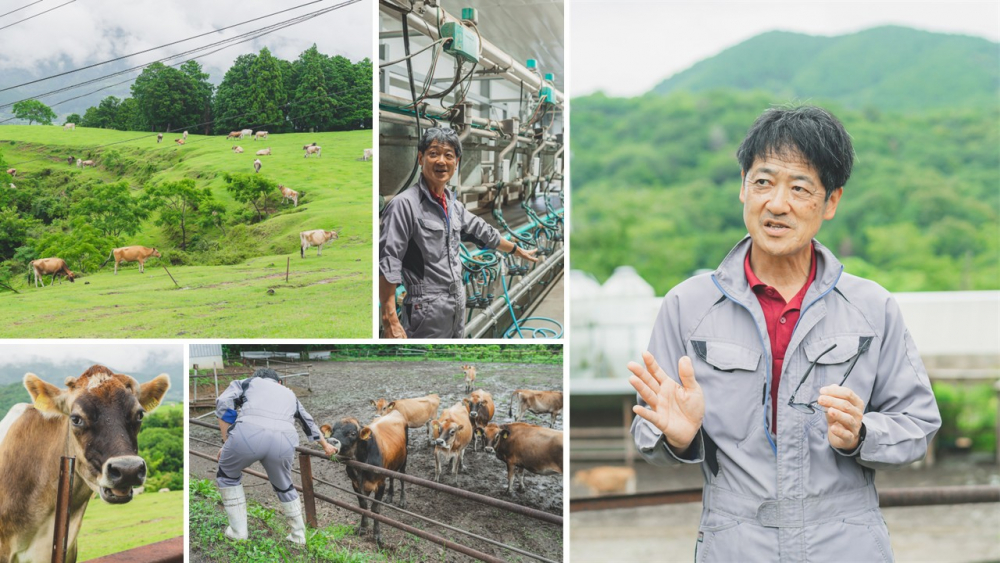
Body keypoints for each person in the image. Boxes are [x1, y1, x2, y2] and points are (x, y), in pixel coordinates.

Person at [628, 106, 941, 562]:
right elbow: (648, 429)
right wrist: (679, 437)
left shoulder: (872, 308)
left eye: (799, 188)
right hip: (735, 546)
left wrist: (861, 433)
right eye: (763, 182)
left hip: (846, 546)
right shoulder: (687, 306)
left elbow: (918, 425)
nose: (777, 204)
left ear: (831, 201)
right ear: (742, 186)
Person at [379, 127, 539, 339]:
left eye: (449, 155)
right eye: (433, 154)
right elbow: (388, 261)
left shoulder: (453, 205)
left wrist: (516, 250)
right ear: (420, 158)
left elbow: (484, 232)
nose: (441, 161)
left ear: (456, 163)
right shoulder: (404, 205)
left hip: (457, 301)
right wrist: (390, 319)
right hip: (426, 308)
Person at [215, 368, 337, 544]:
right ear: (279, 382)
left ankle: (238, 532)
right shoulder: (290, 394)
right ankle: (298, 536)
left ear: (256, 377)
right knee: (284, 485)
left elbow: (223, 402)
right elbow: (307, 421)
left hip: (248, 434)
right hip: (285, 440)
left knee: (227, 476)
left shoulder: (247, 383)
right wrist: (326, 445)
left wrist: (227, 442)